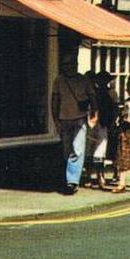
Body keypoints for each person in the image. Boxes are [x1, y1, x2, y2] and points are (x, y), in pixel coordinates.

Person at [51, 48, 98, 195]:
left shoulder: (84, 79)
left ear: (76, 65)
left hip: (79, 119)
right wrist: (55, 120)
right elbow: (54, 101)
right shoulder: (59, 80)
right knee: (67, 151)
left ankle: (72, 182)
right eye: (66, 64)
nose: (69, 67)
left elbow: (92, 97)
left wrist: (94, 114)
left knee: (77, 150)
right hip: (64, 120)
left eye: (71, 64)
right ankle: (68, 178)